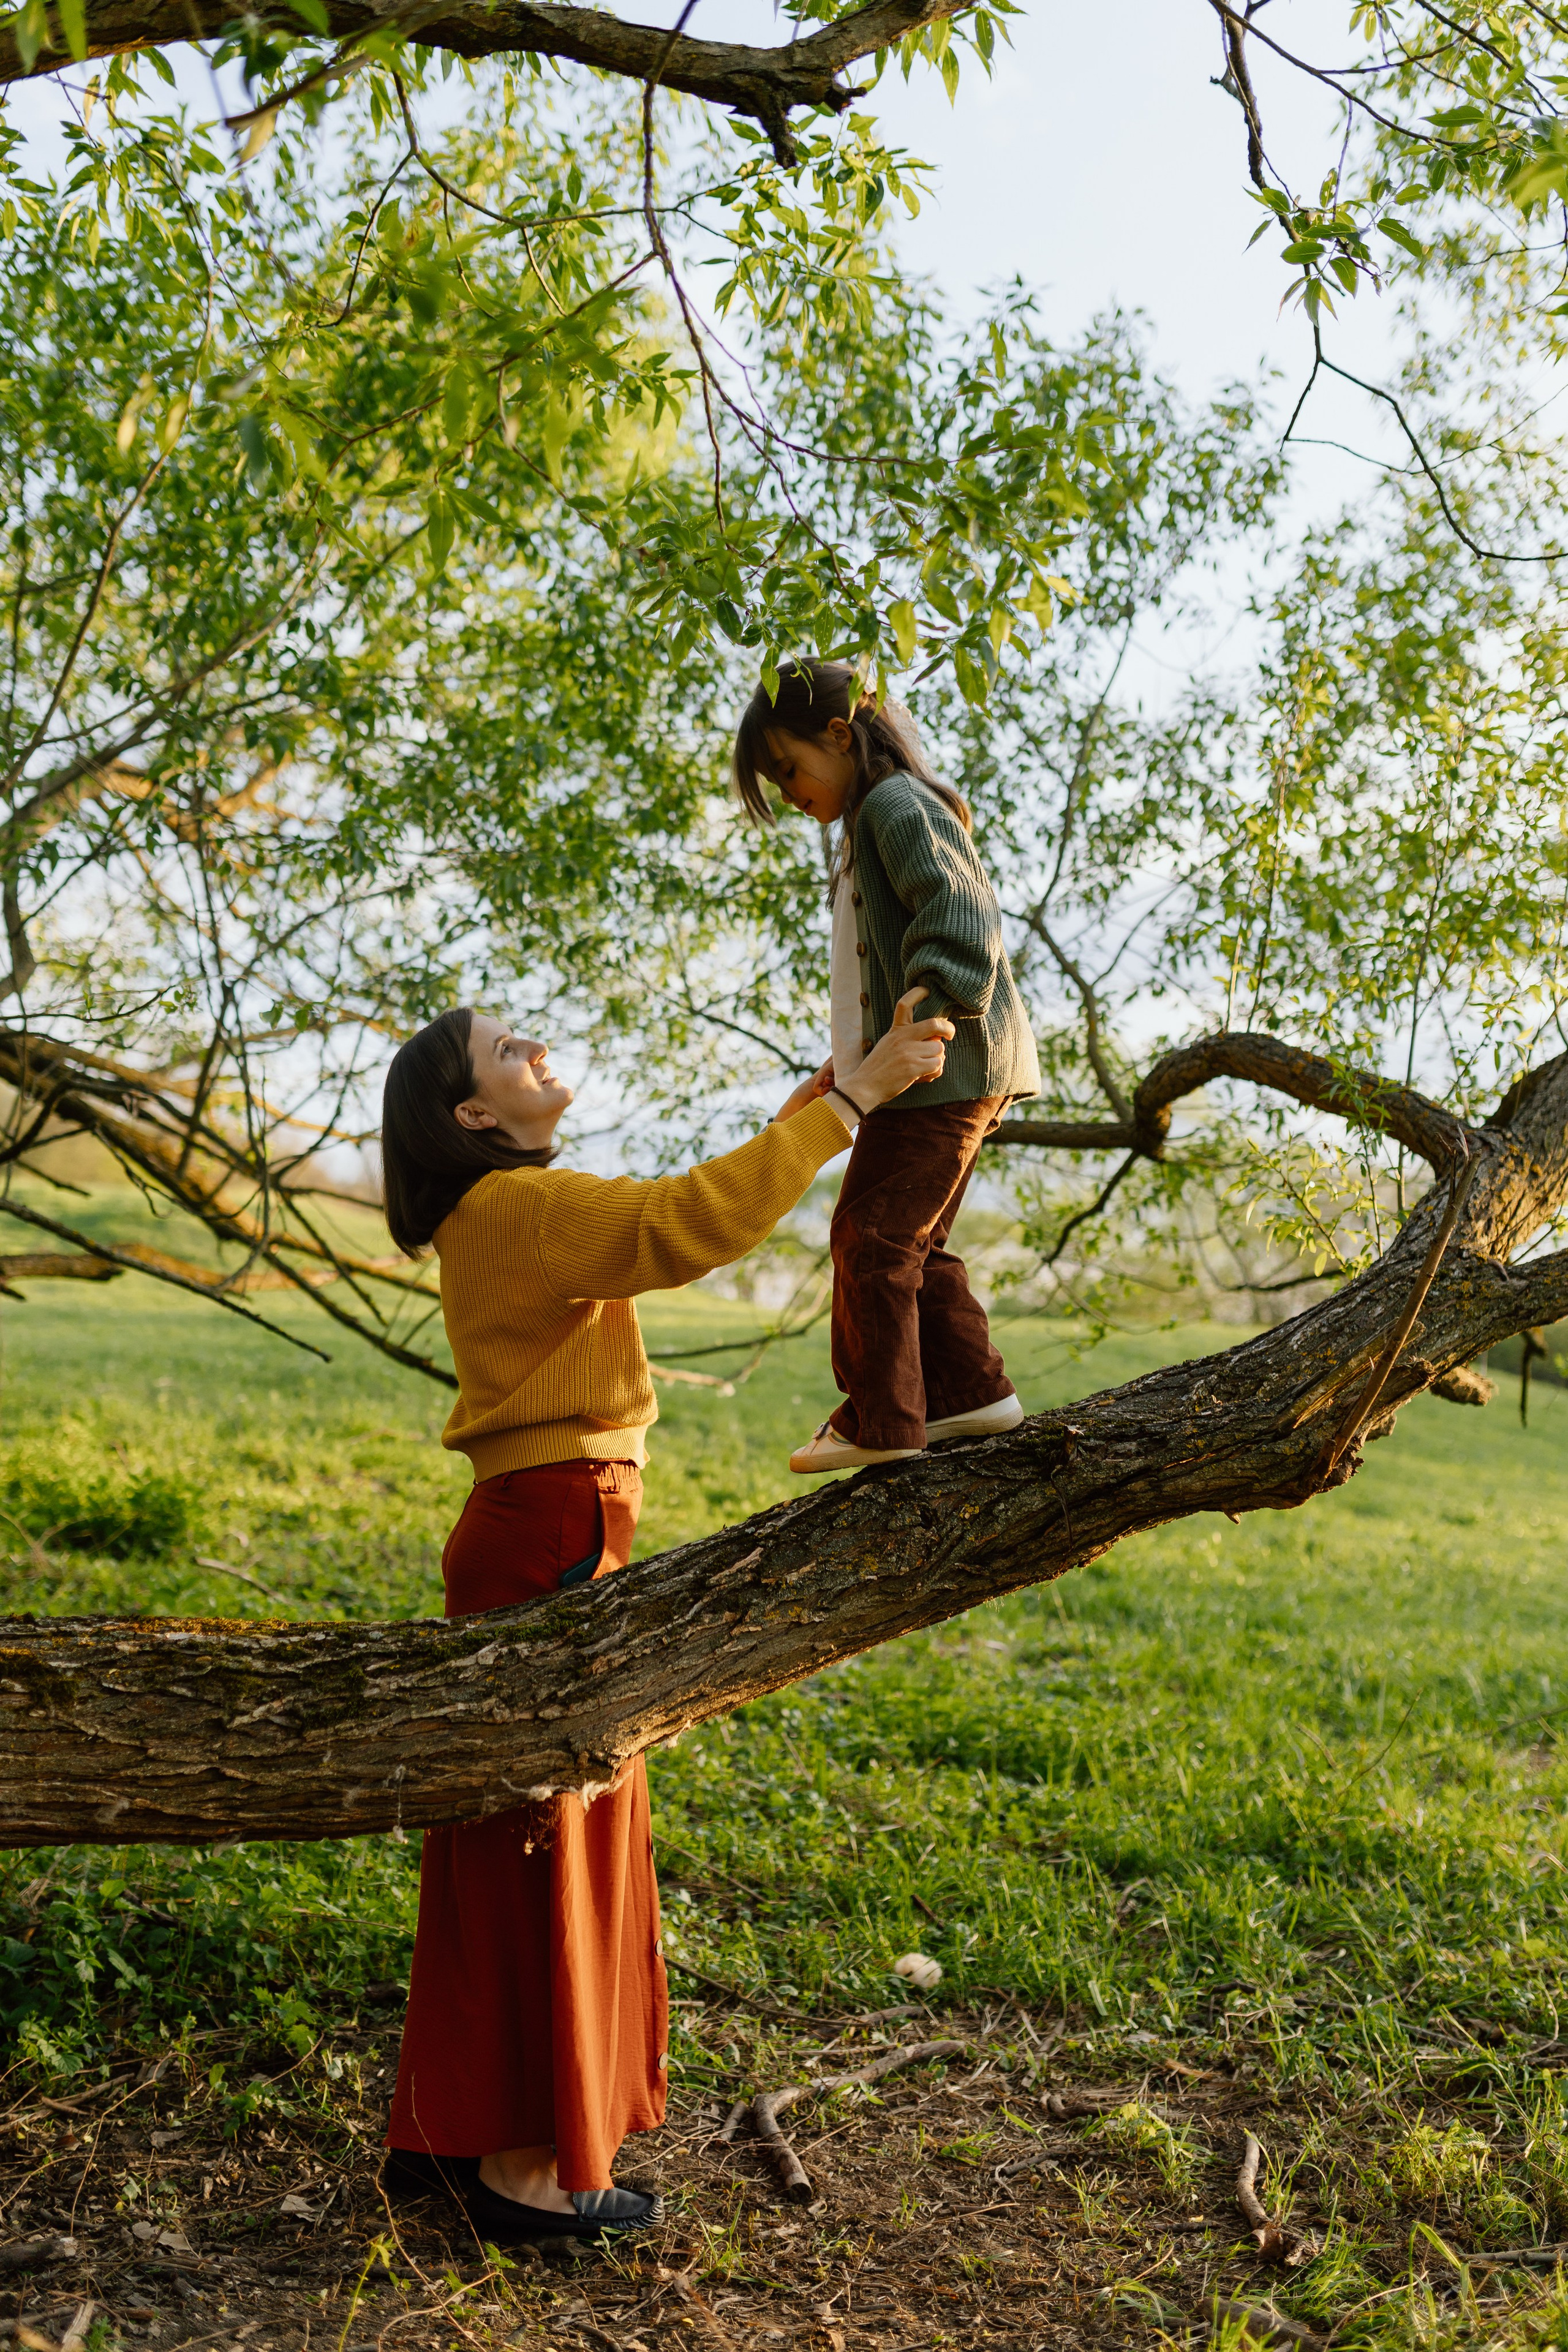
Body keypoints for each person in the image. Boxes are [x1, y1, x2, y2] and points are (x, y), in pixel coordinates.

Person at [374, 995, 954, 2247]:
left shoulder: (505, 1212)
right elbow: (689, 1223)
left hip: (530, 1519)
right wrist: (848, 1108)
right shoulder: (523, 1210)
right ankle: (526, 2166)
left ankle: (461, 2129)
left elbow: (674, 1207)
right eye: (503, 1050)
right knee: (556, 1828)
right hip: (552, 1526)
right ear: (473, 1115)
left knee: (507, 1825)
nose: (536, 1041)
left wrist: (823, 1102)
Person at [732, 658, 1042, 1476]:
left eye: (789, 769)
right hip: (938, 1065)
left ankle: (886, 1419)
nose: (791, 793)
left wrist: (929, 1006)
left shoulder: (895, 806)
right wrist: (846, 1068)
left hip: (941, 1065)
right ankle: (972, 1395)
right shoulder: (870, 821)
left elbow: (962, 911)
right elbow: (871, 971)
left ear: (839, 735)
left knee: (869, 1239)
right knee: (909, 1244)